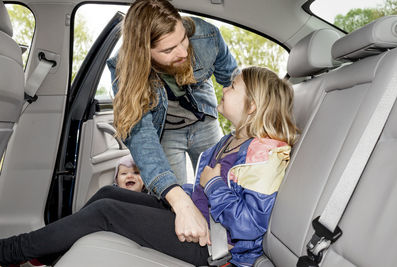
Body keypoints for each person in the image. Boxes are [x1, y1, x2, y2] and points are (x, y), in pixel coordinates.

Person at [0, 66, 299, 266]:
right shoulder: (231, 141)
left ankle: (13, 250)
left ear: (253, 106)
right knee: (108, 195)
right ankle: (51, 253)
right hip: (201, 221)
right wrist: (183, 196)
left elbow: (248, 226)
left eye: (233, 86)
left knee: (106, 213)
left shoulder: (263, 156)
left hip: (213, 245)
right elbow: (204, 191)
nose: (224, 88)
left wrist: (213, 184)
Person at [107, 0, 237, 246]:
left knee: (221, 185)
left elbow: (235, 83)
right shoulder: (123, 67)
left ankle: (226, 244)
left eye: (183, 40)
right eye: (168, 50)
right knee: (176, 202)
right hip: (167, 132)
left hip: (204, 122)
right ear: (143, 52)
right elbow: (141, 135)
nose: (183, 53)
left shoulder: (206, 36)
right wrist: (179, 201)